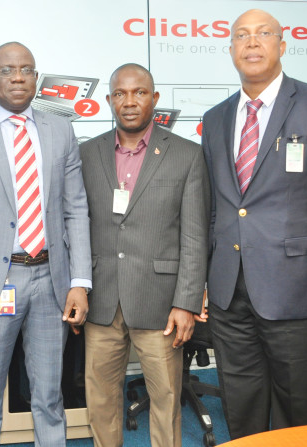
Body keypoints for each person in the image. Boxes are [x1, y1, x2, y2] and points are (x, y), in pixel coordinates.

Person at [202, 9, 307, 438]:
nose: (252, 43)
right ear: (231, 49)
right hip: (229, 296)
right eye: (242, 36)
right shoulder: (215, 119)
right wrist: (205, 281)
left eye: (263, 34)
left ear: (283, 46)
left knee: (300, 415)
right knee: (242, 408)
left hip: (300, 297)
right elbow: (217, 208)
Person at [0, 42, 91, 446]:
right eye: (7, 70)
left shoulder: (60, 130)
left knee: (49, 395)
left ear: (37, 78)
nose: (19, 77)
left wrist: (80, 281)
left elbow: (76, 209)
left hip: (52, 281)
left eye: (26, 69)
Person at [80, 63, 209, 447]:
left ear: (154, 98)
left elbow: (195, 236)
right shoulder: (87, 153)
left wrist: (186, 302)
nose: (130, 101)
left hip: (161, 302)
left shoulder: (186, 154)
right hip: (101, 299)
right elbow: (75, 225)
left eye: (139, 93)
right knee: (100, 398)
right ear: (109, 100)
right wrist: (77, 288)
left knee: (166, 399)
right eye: (120, 93)